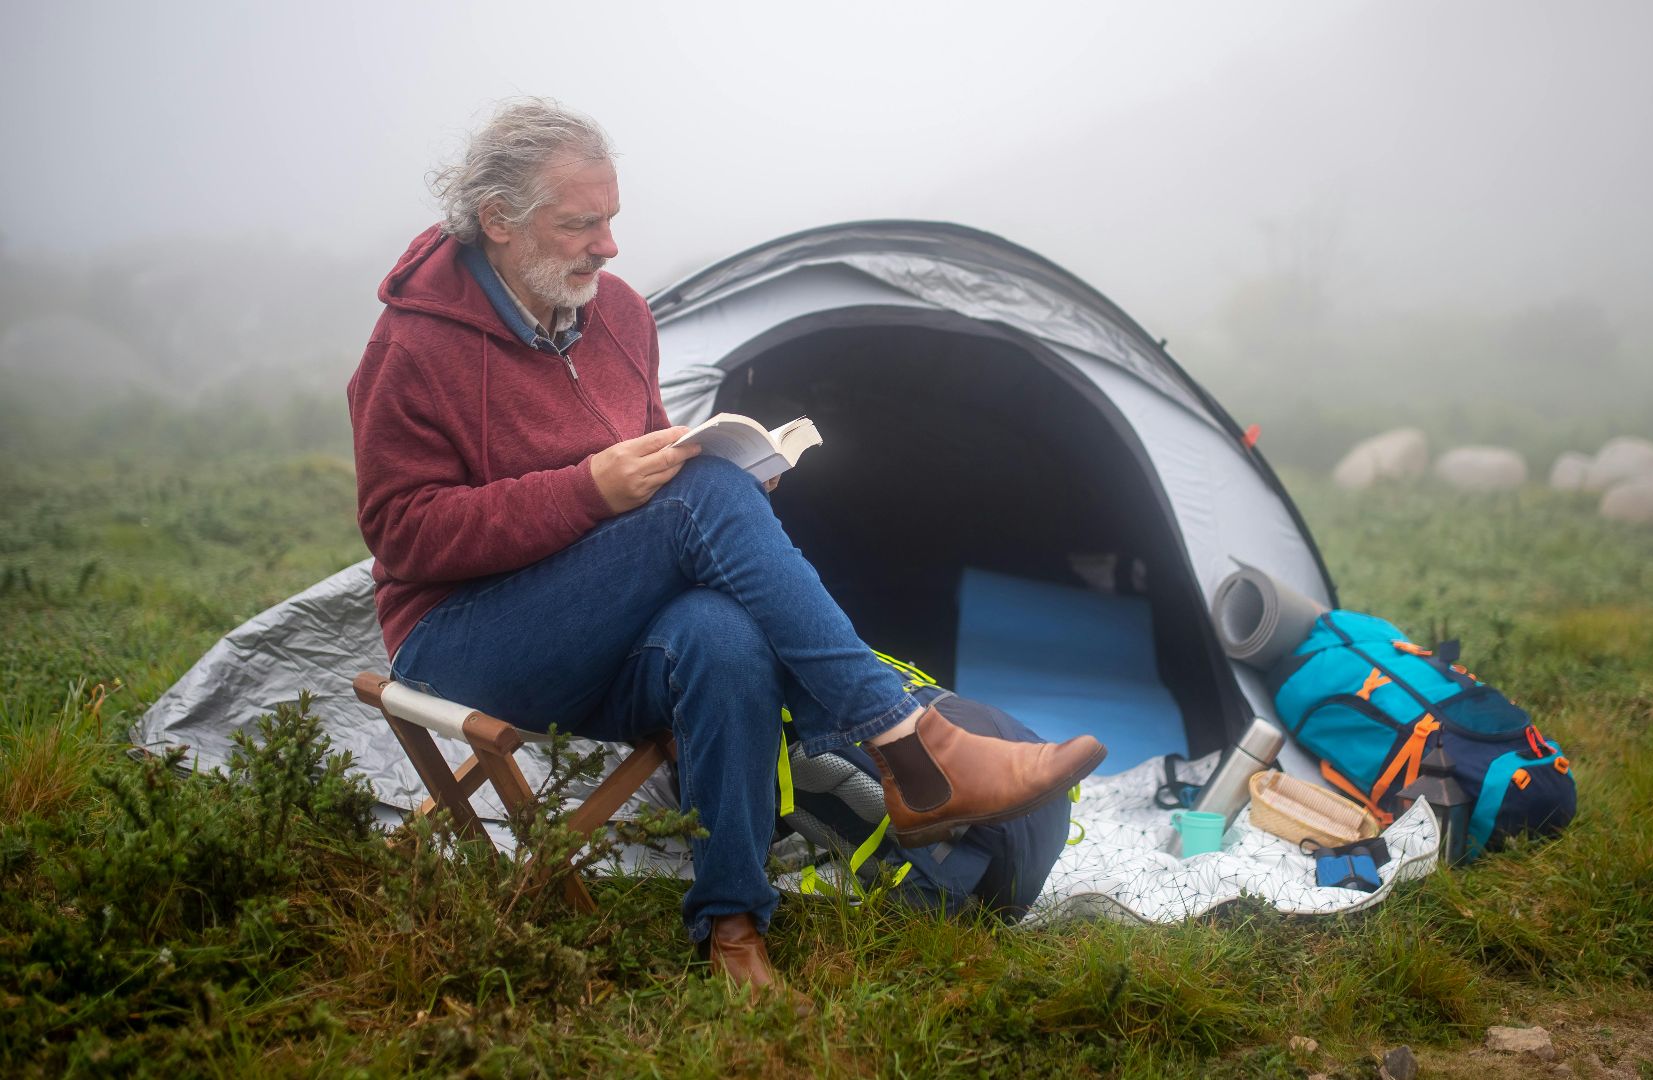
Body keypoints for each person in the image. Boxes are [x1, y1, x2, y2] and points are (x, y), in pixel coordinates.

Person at [347, 99, 1105, 1006]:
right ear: (500, 222)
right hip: (467, 639)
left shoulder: (619, 315)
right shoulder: (413, 346)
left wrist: (729, 474)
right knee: (702, 500)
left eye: (613, 218)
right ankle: (913, 749)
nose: (608, 247)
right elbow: (403, 534)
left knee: (719, 628)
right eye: (581, 222)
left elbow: (654, 459)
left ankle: (733, 928)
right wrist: (591, 490)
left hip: (606, 633)